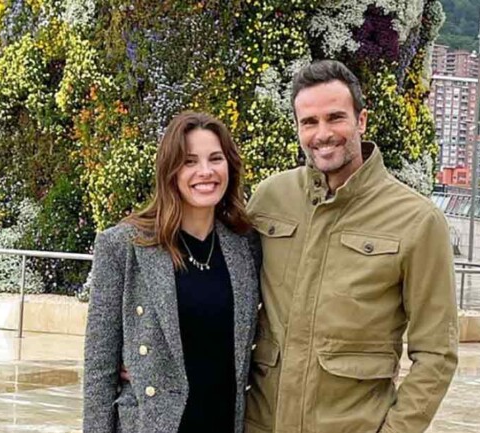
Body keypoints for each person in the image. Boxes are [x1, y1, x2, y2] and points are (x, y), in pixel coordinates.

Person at [244, 60, 458, 433]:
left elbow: (437, 353)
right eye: (309, 122)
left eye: (335, 118)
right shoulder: (269, 198)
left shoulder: (417, 221)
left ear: (361, 120)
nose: (322, 134)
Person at [83, 111, 260, 433]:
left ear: (230, 166)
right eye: (189, 161)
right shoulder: (123, 245)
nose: (205, 171)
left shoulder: (245, 245)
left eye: (215, 158)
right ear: (170, 171)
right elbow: (99, 368)